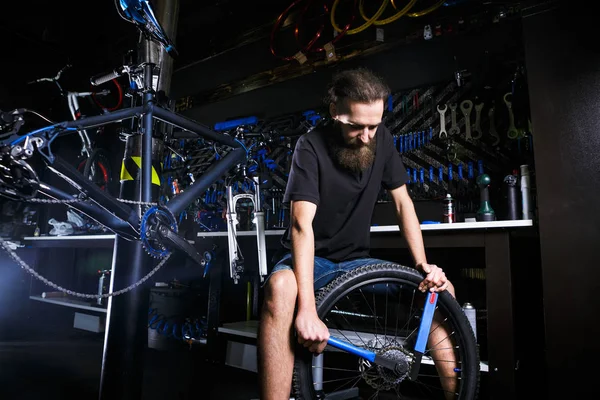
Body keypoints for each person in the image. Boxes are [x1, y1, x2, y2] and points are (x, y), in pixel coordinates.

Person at [257, 67, 457, 400]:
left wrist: (423, 265)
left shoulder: (383, 140)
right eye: (356, 126)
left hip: (356, 263)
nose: (366, 136)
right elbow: (300, 224)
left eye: (373, 126)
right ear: (335, 112)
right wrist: (306, 309)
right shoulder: (309, 146)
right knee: (280, 286)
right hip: (312, 262)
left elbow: (403, 204)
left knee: (439, 290)